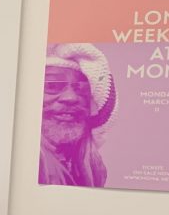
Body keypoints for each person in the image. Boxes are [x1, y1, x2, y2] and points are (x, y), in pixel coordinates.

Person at [39, 42, 116, 187]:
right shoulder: (30, 159)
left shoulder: (91, 165)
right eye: (52, 86)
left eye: (81, 89)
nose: (71, 97)